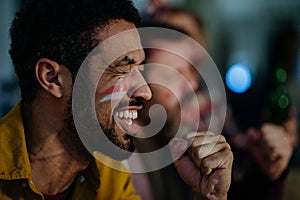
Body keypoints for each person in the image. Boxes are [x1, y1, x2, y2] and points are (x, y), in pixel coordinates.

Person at [0, 0, 233, 200]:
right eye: (123, 68)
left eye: (140, 69)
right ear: (53, 78)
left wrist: (208, 196)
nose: (145, 91)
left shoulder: (111, 176)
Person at [152, 6, 298, 200]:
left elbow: (235, 175)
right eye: (171, 35)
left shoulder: (218, 104)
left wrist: (266, 167)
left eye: (190, 39)